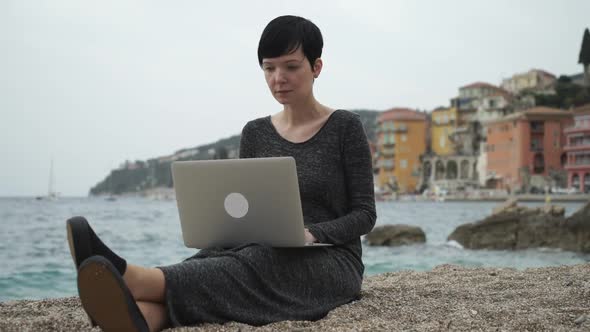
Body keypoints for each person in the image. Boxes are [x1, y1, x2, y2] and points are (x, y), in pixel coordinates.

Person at [68, 15, 376, 332]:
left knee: (256, 261)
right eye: (269, 69)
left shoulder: (344, 128)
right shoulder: (255, 133)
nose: (278, 78)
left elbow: (365, 214)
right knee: (213, 258)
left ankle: (133, 278)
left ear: (316, 67)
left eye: (291, 67)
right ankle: (144, 317)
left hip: (333, 261)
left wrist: (310, 234)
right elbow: (246, 213)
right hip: (260, 249)